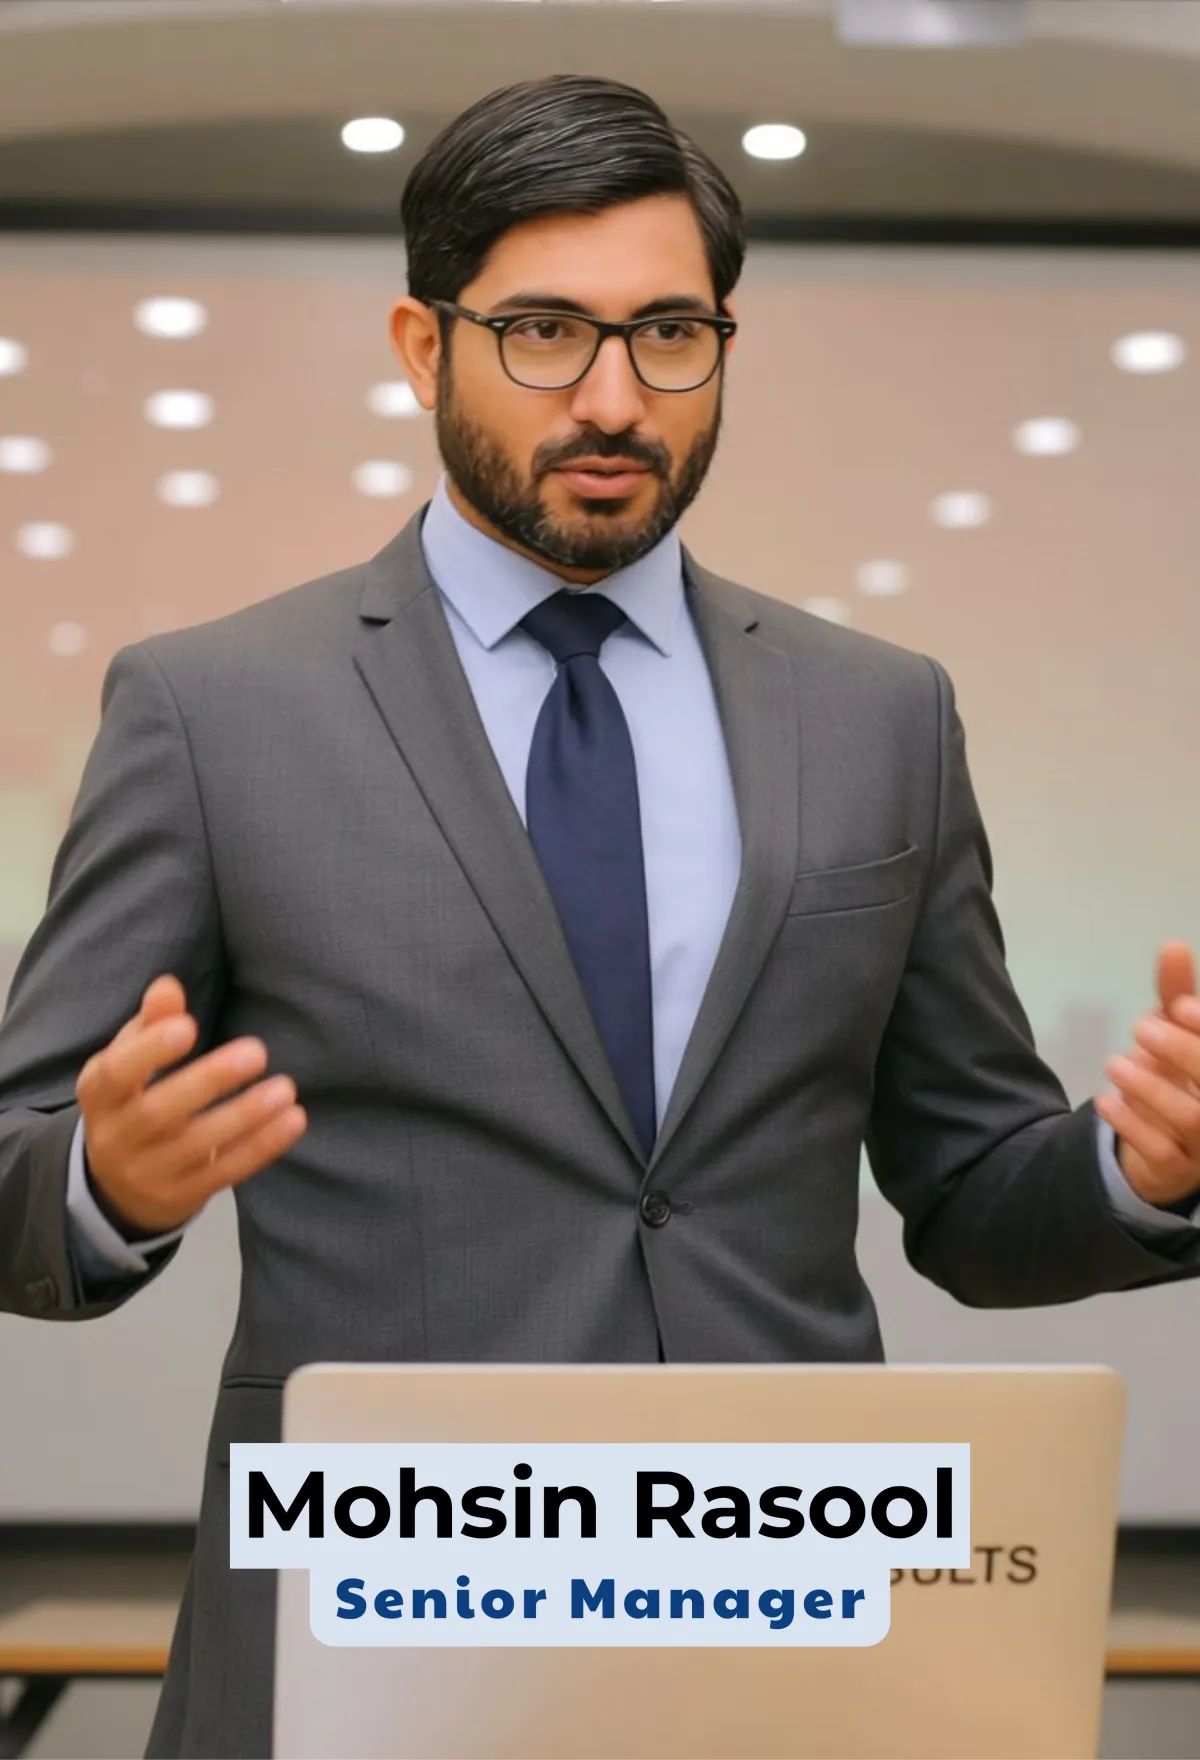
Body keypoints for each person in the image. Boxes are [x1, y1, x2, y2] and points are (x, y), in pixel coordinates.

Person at [1, 73, 1198, 1759]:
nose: (615, 398)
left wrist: (1141, 1171)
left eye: (670, 335)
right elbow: (15, 1173)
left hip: (785, 1617)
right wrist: (104, 1183)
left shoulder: (881, 717)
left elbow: (973, 1195)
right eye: (546, 333)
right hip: (376, 1628)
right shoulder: (215, 713)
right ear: (424, 347)